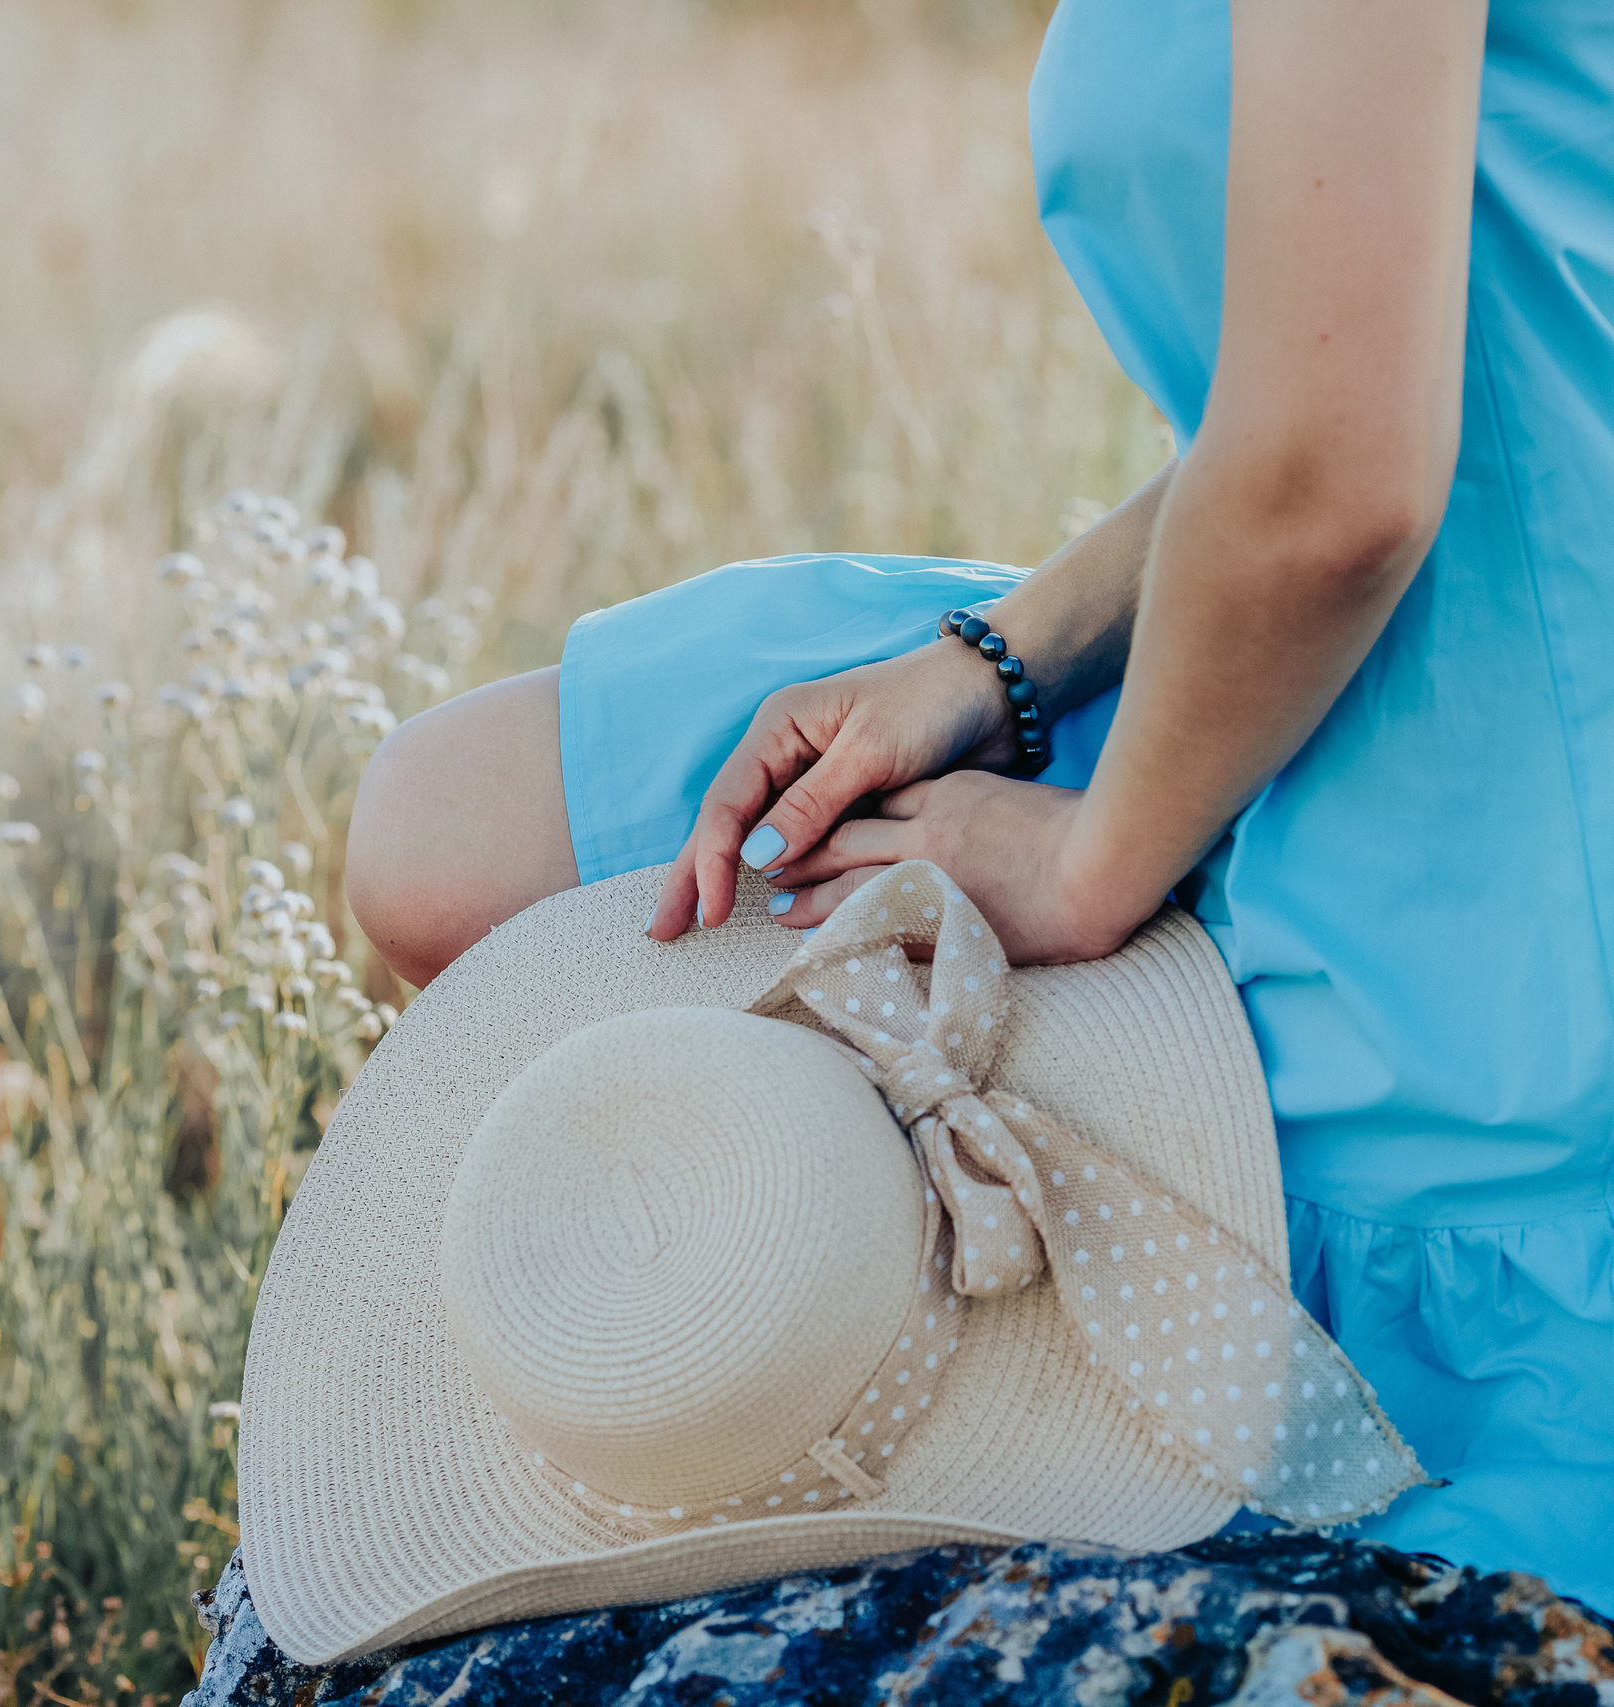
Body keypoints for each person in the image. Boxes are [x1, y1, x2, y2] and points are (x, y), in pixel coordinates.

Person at [344, 0, 1614, 1609]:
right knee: (452, 830)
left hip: (1495, 828)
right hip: (1302, 645)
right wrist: (1005, 660)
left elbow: (1339, 484)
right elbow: (1321, 379)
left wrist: (1100, 858)